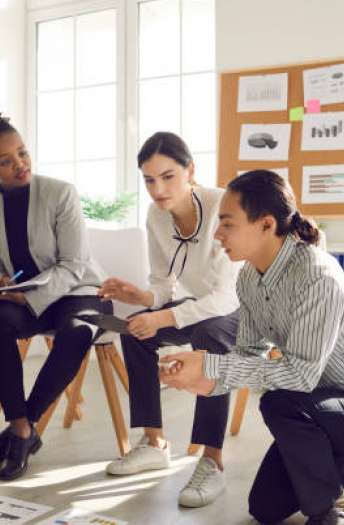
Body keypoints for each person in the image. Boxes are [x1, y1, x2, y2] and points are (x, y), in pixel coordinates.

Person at [159, 169, 344, 524]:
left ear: (266, 225)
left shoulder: (316, 274)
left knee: (279, 401)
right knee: (265, 509)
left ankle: (331, 510)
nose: (217, 233)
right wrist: (202, 375)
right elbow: (248, 355)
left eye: (227, 223)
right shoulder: (249, 279)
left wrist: (214, 366)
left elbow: (301, 375)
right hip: (317, 404)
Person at [0, 105, 109, 481]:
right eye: (6, 161)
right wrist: (0, 285)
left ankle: (21, 429)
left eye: (22, 152)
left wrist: (30, 298)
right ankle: (21, 428)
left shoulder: (60, 193)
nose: (20, 164)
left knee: (78, 330)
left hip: (77, 292)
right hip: (26, 298)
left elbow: (74, 264)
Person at [97, 132, 240, 507]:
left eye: (168, 176)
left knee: (210, 335)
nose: (157, 188)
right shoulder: (155, 215)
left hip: (243, 311)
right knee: (135, 332)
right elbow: (163, 285)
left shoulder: (223, 204)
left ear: (191, 170)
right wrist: (141, 299)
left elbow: (226, 297)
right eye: (149, 179)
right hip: (198, 305)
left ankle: (212, 459)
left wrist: (163, 316)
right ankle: (154, 441)